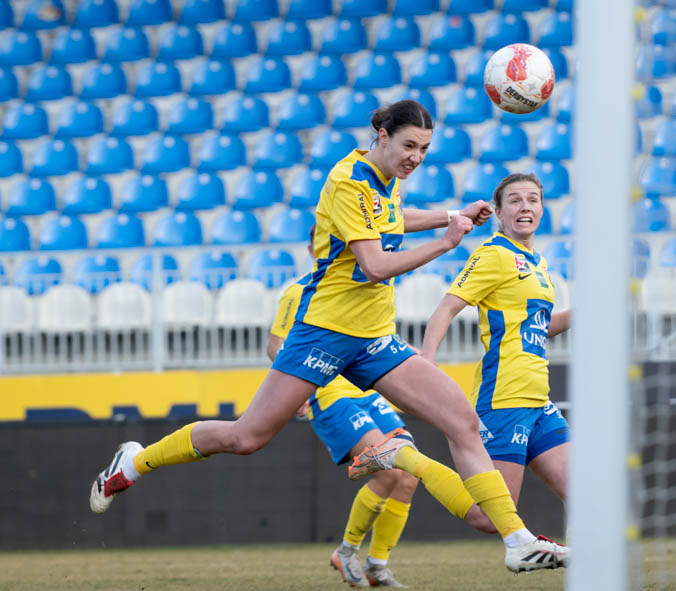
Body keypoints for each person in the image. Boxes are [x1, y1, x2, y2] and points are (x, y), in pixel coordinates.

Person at [89, 100, 569, 574]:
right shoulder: (347, 181)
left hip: (374, 338)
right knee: (246, 437)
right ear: (382, 136)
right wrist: (445, 243)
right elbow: (375, 265)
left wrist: (449, 214)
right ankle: (134, 463)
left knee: (461, 421)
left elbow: (393, 219)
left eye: (423, 149)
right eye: (408, 145)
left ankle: (517, 541)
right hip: (324, 333)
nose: (416, 158)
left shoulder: (385, 183)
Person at [267, 225, 493, 588]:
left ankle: (376, 564)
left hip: (368, 390)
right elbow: (275, 346)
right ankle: (346, 550)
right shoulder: (298, 292)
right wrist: (300, 389)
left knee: (406, 479)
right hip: (331, 394)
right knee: (389, 469)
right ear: (314, 249)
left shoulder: (363, 287)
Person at [420, 173, 572, 507]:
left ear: (543, 209)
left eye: (533, 199)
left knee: (580, 492)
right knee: (488, 515)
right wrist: (426, 364)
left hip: (538, 398)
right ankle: (407, 461)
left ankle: (587, 559)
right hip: (504, 398)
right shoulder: (493, 255)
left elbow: (536, 327)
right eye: (515, 200)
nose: (525, 206)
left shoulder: (539, 264)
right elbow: (445, 309)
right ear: (500, 214)